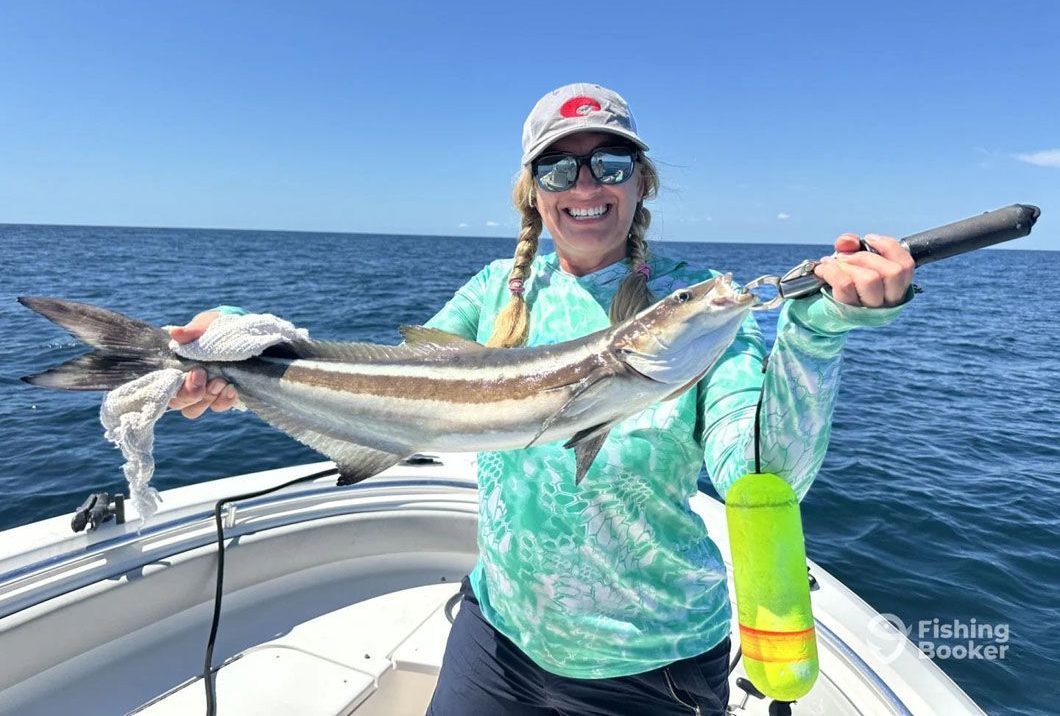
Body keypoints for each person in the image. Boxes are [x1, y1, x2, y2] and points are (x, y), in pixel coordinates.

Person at [169, 84, 915, 714]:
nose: (585, 187)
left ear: (641, 180)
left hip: (654, 667)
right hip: (497, 636)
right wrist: (251, 349)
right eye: (558, 169)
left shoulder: (707, 318)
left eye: (609, 162)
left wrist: (815, 335)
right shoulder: (498, 289)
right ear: (533, 192)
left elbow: (763, 475)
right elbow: (396, 383)